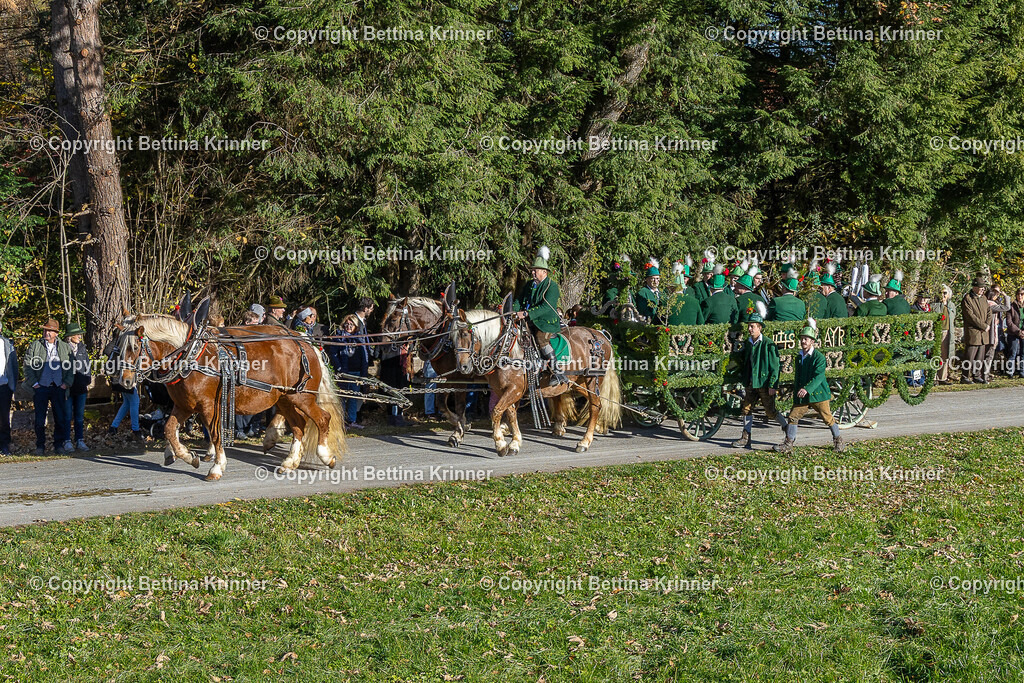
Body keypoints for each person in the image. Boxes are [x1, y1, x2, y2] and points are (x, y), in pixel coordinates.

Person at [775, 318, 845, 453]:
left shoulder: (819, 357)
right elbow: (798, 377)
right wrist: (797, 393)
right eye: (802, 339)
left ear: (812, 341)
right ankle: (788, 444)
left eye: (806, 339)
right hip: (803, 395)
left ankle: (838, 441)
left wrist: (807, 389)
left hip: (818, 394)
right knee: (793, 416)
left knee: (827, 418)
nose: (803, 341)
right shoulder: (799, 357)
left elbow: (819, 377)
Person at [731, 301, 790, 449]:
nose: (749, 329)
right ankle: (745, 437)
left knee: (770, 412)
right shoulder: (748, 343)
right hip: (751, 382)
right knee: (746, 409)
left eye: (752, 326)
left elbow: (775, 366)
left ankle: (787, 428)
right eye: (749, 326)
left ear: (760, 328)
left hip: (764, 383)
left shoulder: (768, 344)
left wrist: (772, 385)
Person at [513, 246, 566, 385]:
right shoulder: (529, 284)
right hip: (528, 320)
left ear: (544, 272)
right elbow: (519, 300)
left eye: (535, 270)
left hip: (546, 322)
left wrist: (526, 313)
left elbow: (546, 307)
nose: (532, 272)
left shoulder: (552, 286)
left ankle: (557, 372)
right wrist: (513, 311)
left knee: (540, 338)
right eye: (532, 270)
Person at [23, 319, 74, 455]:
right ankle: (40, 446)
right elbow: (27, 365)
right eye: (45, 330)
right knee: (40, 419)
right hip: (41, 387)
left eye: (50, 330)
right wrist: (34, 383)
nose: (46, 332)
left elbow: (71, 367)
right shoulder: (35, 346)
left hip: (58, 387)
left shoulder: (64, 347)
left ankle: (59, 445)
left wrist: (66, 384)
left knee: (60, 418)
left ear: (56, 333)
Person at [331, 314, 370, 428]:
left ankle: (352, 420)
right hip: (343, 372)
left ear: (356, 326)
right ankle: (341, 421)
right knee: (342, 397)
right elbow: (333, 354)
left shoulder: (360, 339)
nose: (348, 326)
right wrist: (339, 368)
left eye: (351, 324)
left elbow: (365, 357)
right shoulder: (339, 338)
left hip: (356, 372)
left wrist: (364, 374)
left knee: (353, 397)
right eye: (347, 324)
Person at [65, 322, 91, 452]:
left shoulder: (82, 348)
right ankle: (67, 440)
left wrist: (86, 380)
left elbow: (87, 366)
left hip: (81, 387)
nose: (80, 336)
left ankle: (79, 440)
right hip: (68, 388)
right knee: (67, 416)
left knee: (79, 417)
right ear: (70, 336)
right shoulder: (63, 349)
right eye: (77, 334)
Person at [960, 276, 992, 384]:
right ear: (974, 287)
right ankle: (964, 377)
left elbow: (989, 312)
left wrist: (987, 324)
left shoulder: (984, 298)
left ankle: (976, 376)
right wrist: (984, 326)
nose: (983, 289)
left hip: (983, 333)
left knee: (980, 357)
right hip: (973, 332)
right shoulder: (967, 299)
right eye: (980, 287)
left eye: (983, 287)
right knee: (969, 356)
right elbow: (970, 316)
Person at [666, 259, 705, 325]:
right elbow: (701, 323)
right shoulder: (695, 302)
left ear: (670, 287)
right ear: (683, 287)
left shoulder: (666, 303)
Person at [984, 286, 1010, 383]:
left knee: (988, 355)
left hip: (988, 333)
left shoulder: (985, 303)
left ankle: (985, 374)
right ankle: (985, 375)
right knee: (989, 355)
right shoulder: (990, 304)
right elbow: (1007, 307)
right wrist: (1005, 296)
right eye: (996, 294)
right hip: (990, 334)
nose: (997, 296)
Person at [0, 321, 17, 456]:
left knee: (4, 418)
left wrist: (12, 385)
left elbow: (14, 366)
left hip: (4, 385)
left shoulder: (7, 344)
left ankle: (4, 445)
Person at [933, 284, 956, 384]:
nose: (943, 295)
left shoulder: (951, 305)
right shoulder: (935, 305)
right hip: (937, 332)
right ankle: (933, 377)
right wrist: (941, 304)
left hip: (947, 332)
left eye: (945, 293)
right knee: (935, 354)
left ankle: (942, 377)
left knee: (945, 355)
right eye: (941, 293)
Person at [1005, 288, 1024, 378]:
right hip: (1013, 333)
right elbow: (1009, 322)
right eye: (1018, 294)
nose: (1020, 296)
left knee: (1023, 353)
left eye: (1022, 294)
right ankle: (1010, 372)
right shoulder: (1011, 306)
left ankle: (1022, 372)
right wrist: (1018, 331)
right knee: (1013, 352)